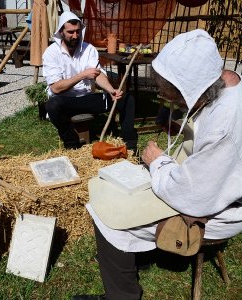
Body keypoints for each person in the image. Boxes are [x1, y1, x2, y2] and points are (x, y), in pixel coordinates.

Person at [72, 29, 242, 299]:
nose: (169, 100)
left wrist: (158, 161)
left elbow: (194, 197)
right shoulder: (230, 83)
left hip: (221, 211)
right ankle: (139, 254)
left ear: (191, 87)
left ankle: (121, 296)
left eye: (173, 95)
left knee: (107, 215)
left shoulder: (224, 129)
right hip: (211, 186)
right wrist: (179, 125)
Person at [42, 11, 138, 151]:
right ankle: (71, 143)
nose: (75, 36)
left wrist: (111, 90)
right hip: (65, 101)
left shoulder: (88, 49)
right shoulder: (51, 53)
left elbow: (97, 74)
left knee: (127, 99)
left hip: (87, 98)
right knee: (52, 105)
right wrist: (81, 75)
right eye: (70, 32)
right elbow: (56, 88)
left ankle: (130, 143)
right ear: (61, 31)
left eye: (77, 32)